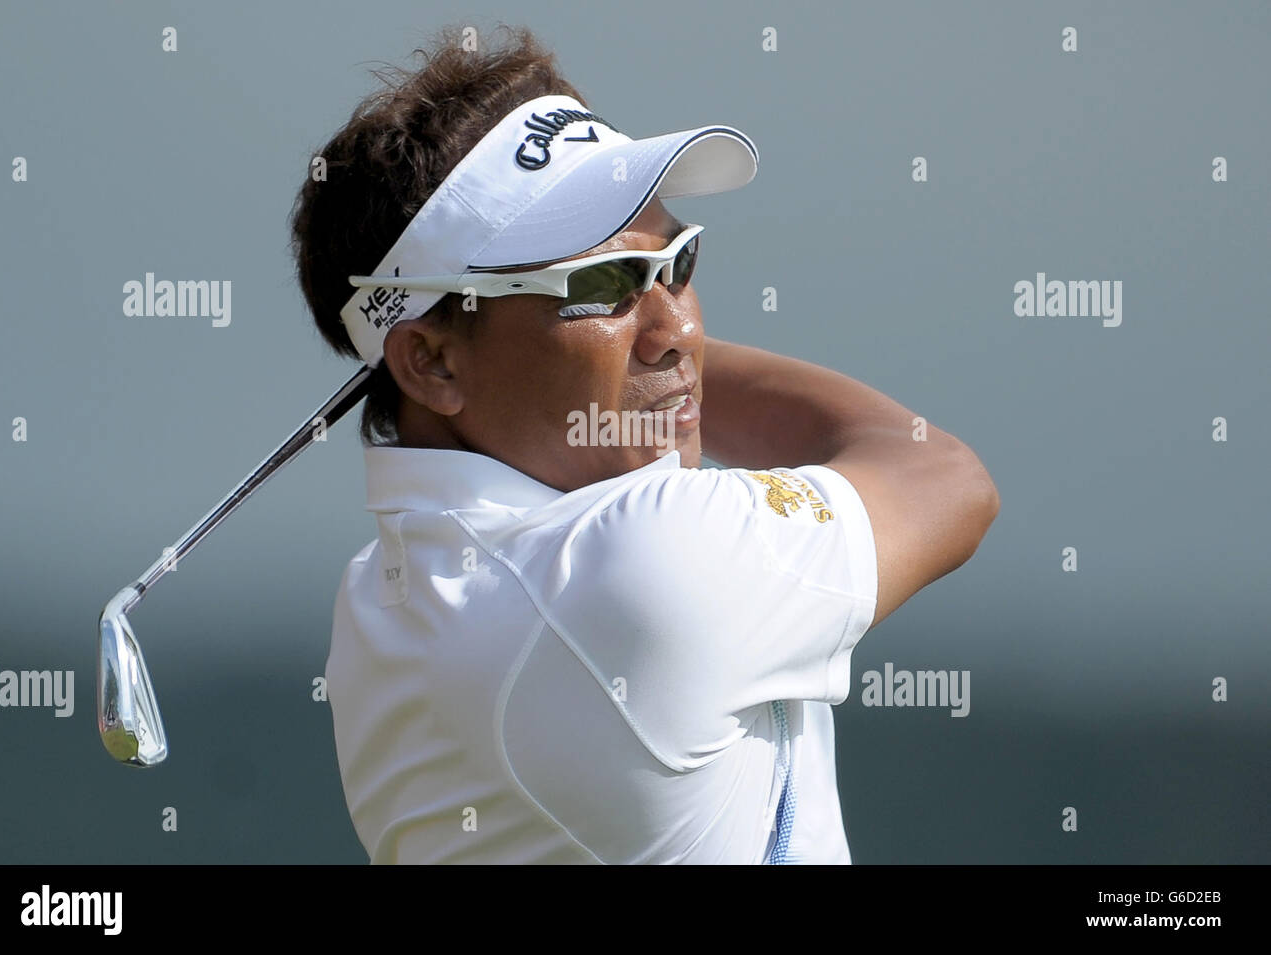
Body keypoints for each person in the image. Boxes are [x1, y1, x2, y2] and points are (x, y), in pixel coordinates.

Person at [289, 26, 999, 864]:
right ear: (434, 362)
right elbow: (944, 476)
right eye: (599, 285)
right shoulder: (647, 561)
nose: (681, 327)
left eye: (679, 261)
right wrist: (673, 366)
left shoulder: (377, 600)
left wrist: (643, 347)